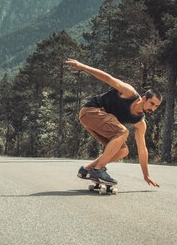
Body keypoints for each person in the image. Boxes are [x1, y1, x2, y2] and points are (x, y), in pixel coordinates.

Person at [65, 58, 162, 187]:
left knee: (123, 151)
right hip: (90, 111)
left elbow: (142, 150)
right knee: (122, 132)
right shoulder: (129, 92)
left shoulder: (140, 122)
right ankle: (98, 170)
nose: (153, 109)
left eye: (156, 106)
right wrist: (82, 66)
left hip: (95, 121)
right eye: (152, 104)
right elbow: (107, 78)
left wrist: (146, 175)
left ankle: (86, 169)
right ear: (144, 98)